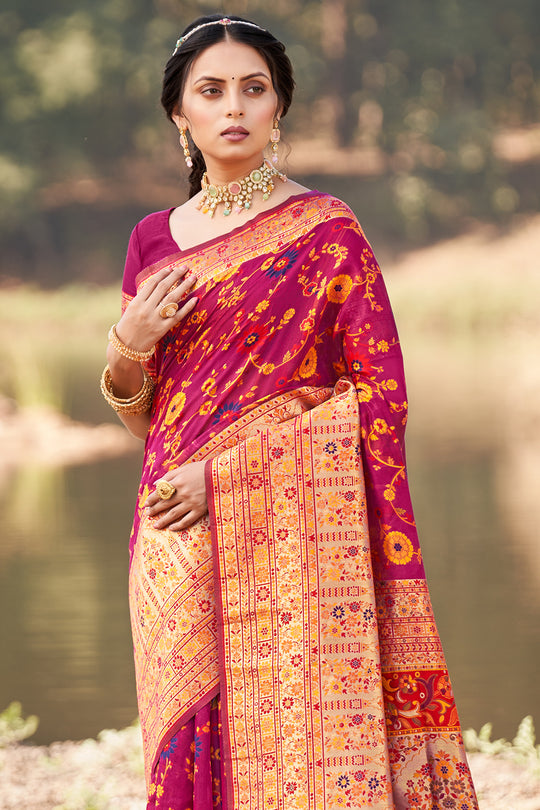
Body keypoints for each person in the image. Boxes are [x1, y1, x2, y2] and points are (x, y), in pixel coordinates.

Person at [101, 13, 479, 810]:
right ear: (181, 114)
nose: (233, 106)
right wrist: (128, 343)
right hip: (173, 534)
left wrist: (230, 477)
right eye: (211, 90)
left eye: (254, 88)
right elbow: (143, 419)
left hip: (286, 526)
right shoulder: (151, 241)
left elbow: (380, 398)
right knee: (185, 747)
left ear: (279, 109)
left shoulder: (326, 231)